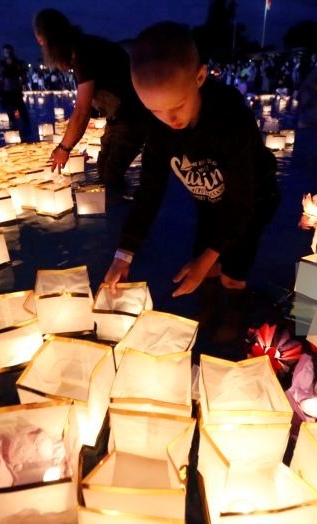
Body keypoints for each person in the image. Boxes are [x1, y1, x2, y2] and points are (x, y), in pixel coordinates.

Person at [103, 22, 280, 345]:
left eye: (178, 106)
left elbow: (241, 201)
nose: (170, 120)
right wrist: (123, 254)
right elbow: (149, 191)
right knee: (205, 267)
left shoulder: (229, 118)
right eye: (155, 110)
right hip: (211, 203)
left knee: (231, 274)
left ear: (200, 77)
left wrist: (211, 255)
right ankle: (208, 311)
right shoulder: (158, 128)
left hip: (253, 200)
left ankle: (232, 320)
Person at [33, 8, 149, 193]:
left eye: (41, 40)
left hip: (133, 117)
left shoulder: (84, 53)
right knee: (103, 171)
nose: (40, 44)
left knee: (110, 176)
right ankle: (116, 211)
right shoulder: (83, 49)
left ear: (49, 39)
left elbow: (82, 110)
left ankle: (126, 215)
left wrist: (64, 148)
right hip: (118, 117)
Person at [0, 44, 30, 139]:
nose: (8, 54)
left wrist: (22, 79)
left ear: (12, 52)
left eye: (9, 51)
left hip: (16, 91)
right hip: (6, 92)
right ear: (4, 53)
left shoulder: (18, 63)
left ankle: (27, 133)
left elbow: (24, 76)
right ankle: (14, 132)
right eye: (6, 52)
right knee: (10, 113)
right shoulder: (1, 64)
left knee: (23, 113)